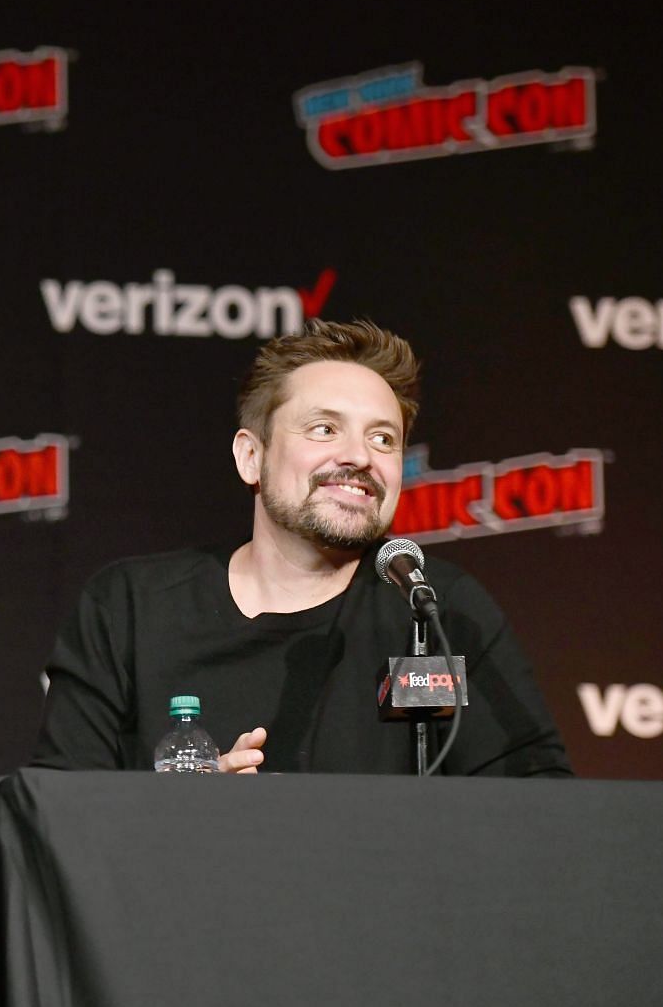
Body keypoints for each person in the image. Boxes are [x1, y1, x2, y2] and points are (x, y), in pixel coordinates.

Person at [34, 320, 572, 776]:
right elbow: (56, 819)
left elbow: (539, 813)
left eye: (384, 438)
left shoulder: (439, 608)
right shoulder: (130, 607)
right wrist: (180, 816)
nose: (360, 456)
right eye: (324, 428)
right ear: (251, 458)